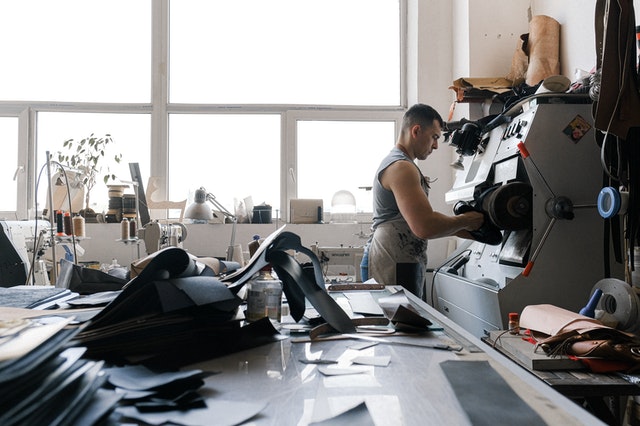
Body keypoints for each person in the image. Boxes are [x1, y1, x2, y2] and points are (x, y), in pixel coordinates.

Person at [365, 103, 485, 299]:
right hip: (391, 260)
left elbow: (426, 223)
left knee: (407, 326)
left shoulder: (402, 164)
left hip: (401, 257)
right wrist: (467, 220)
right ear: (416, 130)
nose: (436, 145)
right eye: (434, 137)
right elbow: (425, 226)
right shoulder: (401, 167)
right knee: (400, 328)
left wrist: (477, 233)